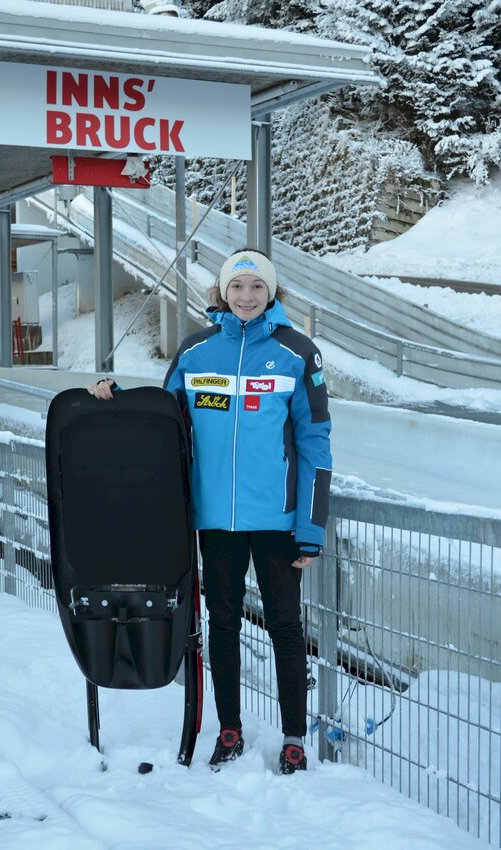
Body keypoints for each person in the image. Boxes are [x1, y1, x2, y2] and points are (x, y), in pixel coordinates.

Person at [88, 249, 332, 775]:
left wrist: (311, 527)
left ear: (272, 293)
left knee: (286, 626)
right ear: (222, 292)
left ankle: (294, 738)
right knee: (221, 624)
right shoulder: (196, 351)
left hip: (278, 521)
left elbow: (316, 443)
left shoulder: (298, 353)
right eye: (237, 286)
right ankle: (230, 729)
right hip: (216, 521)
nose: (246, 296)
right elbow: (164, 422)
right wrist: (118, 399)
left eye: (257, 286)